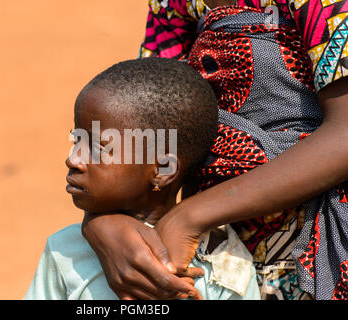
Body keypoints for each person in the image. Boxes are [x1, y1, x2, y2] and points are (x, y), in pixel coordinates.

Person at [81, 1, 348, 300]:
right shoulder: (171, 5)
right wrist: (102, 223)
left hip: (317, 252)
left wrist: (189, 217)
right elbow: (145, 124)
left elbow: (345, 136)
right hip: (212, 258)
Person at [23, 58, 261, 300]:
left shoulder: (225, 268)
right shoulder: (65, 251)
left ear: (163, 169)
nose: (73, 159)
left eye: (97, 148)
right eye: (77, 141)